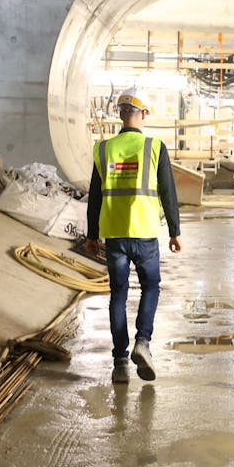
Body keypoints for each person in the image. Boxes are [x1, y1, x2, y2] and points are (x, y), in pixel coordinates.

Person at [85, 88, 183, 384]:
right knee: (151, 286)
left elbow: (94, 197)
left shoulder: (103, 149)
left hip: (114, 234)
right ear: (142, 115)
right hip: (145, 232)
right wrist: (175, 232)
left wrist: (92, 234)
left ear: (120, 113)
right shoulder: (154, 147)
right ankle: (143, 341)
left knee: (118, 294)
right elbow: (168, 192)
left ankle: (119, 363)